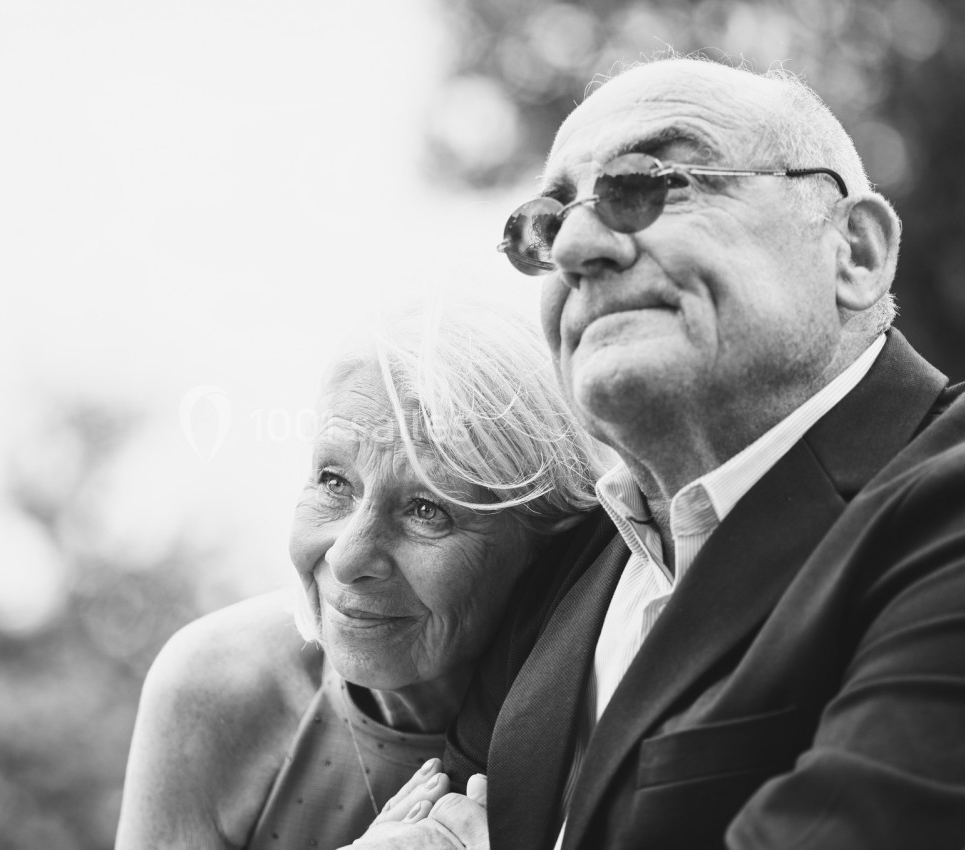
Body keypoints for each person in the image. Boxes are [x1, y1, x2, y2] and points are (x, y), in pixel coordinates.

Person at [361, 56, 965, 849]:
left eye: (655, 180)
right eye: (546, 222)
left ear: (852, 250)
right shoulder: (568, 559)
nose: (577, 246)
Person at [114, 299, 613, 849]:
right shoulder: (214, 688)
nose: (347, 558)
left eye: (428, 509)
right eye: (333, 481)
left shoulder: (604, 710)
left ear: (545, 546)